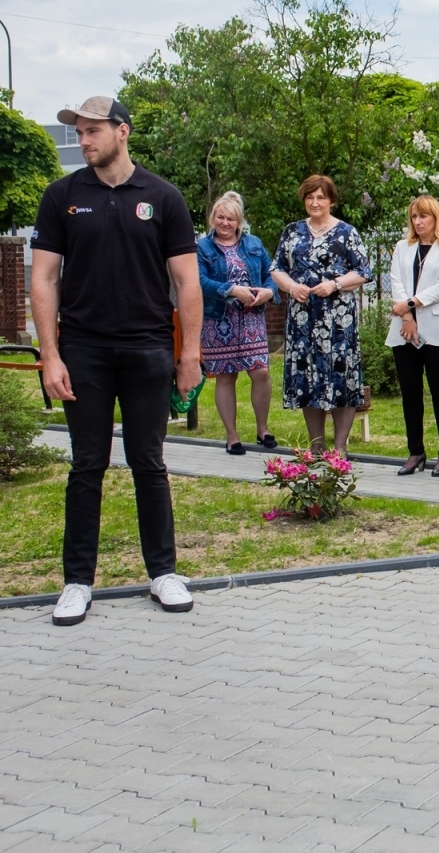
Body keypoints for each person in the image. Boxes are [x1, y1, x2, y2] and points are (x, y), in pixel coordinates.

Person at [30, 96, 202, 626]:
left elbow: (186, 281)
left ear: (121, 132)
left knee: (149, 463)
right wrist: (50, 355)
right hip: (83, 349)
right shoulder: (61, 196)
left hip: (149, 348)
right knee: (87, 465)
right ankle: (77, 582)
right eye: (79, 133)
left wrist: (190, 353)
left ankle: (163, 574)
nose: (83, 142)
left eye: (92, 132)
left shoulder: (163, 197)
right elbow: (44, 278)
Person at [270, 175, 372, 456]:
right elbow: (276, 268)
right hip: (303, 318)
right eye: (310, 197)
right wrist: (291, 287)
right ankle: (316, 445)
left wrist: (335, 284)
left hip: (338, 321)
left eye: (321, 197)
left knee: (342, 378)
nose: (315, 203)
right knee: (307, 378)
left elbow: (363, 271)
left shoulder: (346, 233)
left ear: (332, 201)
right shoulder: (292, 232)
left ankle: (339, 447)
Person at [386, 196, 439, 477]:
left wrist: (410, 304)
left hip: (437, 331)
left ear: (436, 219)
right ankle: (415, 451)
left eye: (424, 217)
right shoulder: (402, 248)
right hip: (404, 330)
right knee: (410, 393)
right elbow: (396, 281)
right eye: (414, 217)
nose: (418, 222)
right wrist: (407, 316)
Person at [196, 190, 276, 455]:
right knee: (226, 377)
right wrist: (232, 289)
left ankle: (262, 428)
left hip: (252, 319)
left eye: (231, 218)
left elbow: (270, 273)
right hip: (218, 321)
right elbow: (200, 281)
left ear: (239, 221)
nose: (225, 223)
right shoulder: (203, 247)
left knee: (260, 372)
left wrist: (269, 291)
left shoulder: (253, 243)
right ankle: (232, 437)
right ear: (213, 218)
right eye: (220, 217)